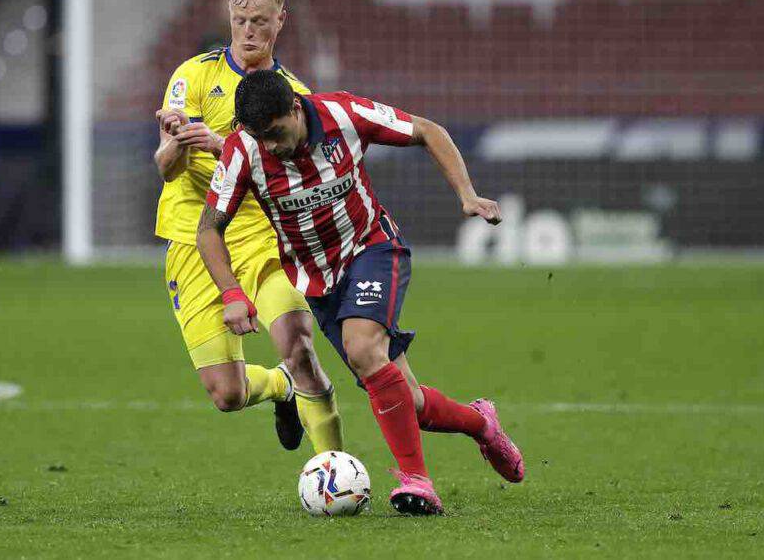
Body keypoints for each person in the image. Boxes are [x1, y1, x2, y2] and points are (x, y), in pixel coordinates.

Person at [197, 69, 525, 515]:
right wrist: (232, 292)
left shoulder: (343, 113)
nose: (271, 146)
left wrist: (466, 194)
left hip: (372, 248)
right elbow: (209, 230)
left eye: (276, 134)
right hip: (318, 280)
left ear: (296, 108)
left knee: (363, 348)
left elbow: (427, 130)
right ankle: (481, 423)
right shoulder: (243, 151)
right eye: (261, 138)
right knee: (407, 400)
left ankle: (417, 481)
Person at [153, 0, 343, 454]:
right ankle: (281, 389)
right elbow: (166, 169)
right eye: (240, 21)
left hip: (261, 234)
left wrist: (224, 147)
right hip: (192, 232)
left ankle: (332, 468)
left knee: (300, 346)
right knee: (227, 394)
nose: (249, 31)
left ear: (281, 19)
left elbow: (292, 176)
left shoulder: (295, 97)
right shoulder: (193, 76)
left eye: (260, 20)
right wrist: (175, 141)